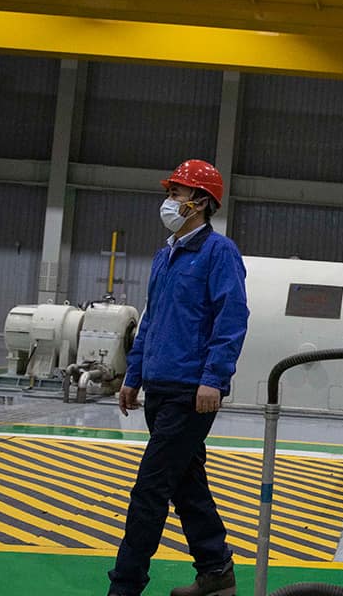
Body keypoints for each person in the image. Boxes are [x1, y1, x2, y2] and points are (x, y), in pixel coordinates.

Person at [108, 159, 250, 596]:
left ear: (202, 203)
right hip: (158, 388)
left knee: (149, 490)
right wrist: (133, 375)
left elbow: (231, 319)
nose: (170, 201)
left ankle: (125, 586)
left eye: (178, 193)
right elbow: (151, 320)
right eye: (170, 192)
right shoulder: (165, 254)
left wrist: (214, 378)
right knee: (186, 486)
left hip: (192, 393)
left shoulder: (218, 252)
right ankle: (216, 571)